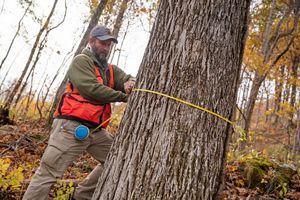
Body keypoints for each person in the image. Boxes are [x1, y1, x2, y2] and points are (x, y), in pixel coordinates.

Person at [23, 25, 135, 200]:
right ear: (91, 41)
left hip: (96, 131)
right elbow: (91, 89)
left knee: (119, 157)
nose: (106, 48)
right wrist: (124, 97)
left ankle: (80, 196)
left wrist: (130, 82)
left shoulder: (111, 70)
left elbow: (127, 78)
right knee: (48, 173)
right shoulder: (81, 61)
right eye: (102, 43)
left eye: (109, 45)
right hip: (70, 128)